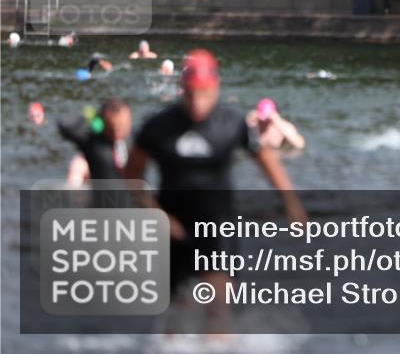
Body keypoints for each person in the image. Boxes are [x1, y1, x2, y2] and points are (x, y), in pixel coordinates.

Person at [124, 49, 305, 326]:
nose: (197, 102)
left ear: (216, 89)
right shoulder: (159, 126)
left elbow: (267, 160)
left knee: (218, 307)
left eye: (205, 94)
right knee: (176, 310)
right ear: (181, 89)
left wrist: (292, 203)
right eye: (191, 93)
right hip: (172, 225)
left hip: (217, 224)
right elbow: (131, 176)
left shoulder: (231, 123)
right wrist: (154, 213)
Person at [59, 98, 132, 185]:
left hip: (128, 192)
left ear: (128, 122)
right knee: (78, 165)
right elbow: (65, 123)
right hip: (103, 195)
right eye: (111, 129)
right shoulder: (92, 142)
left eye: (121, 128)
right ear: (103, 123)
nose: (116, 134)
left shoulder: (134, 140)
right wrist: (92, 117)